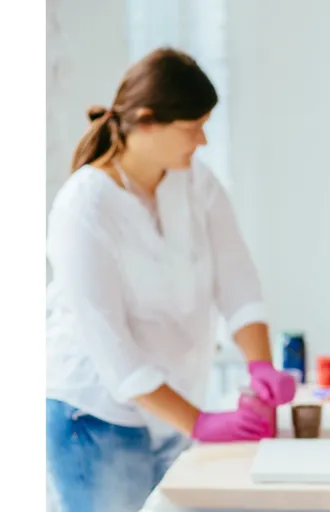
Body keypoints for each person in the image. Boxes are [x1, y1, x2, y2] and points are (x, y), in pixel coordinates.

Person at [45, 48, 296, 512]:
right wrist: (200, 423)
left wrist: (259, 365)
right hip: (96, 418)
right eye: (191, 127)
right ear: (145, 122)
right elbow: (113, 352)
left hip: (173, 410)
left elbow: (237, 279)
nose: (202, 140)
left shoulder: (196, 182)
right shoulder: (83, 207)